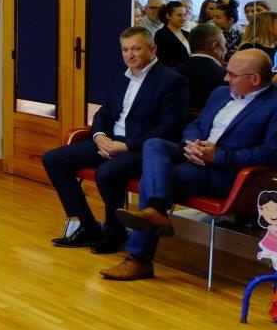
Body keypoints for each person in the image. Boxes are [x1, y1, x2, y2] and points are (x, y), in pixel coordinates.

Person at [104, 49, 277, 281]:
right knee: (154, 144)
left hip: (226, 173)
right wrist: (192, 144)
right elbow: (195, 125)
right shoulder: (220, 93)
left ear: (255, 79)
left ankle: (140, 256)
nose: (225, 78)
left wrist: (218, 156)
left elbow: (270, 153)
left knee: (156, 179)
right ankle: (156, 211)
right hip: (196, 154)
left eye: (232, 74)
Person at [43, 26, 189, 253]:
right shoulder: (121, 77)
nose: (130, 55)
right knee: (53, 159)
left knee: (106, 173)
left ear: (152, 49)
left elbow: (169, 129)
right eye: (125, 49)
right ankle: (88, 226)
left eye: (136, 49)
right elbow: (104, 113)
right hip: (110, 141)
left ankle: (115, 230)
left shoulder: (172, 81)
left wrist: (127, 145)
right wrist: (99, 136)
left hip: (141, 148)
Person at [172, 22, 228, 106]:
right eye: (224, 45)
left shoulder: (172, 73)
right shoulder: (227, 77)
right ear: (215, 46)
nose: (225, 50)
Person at [153, 0, 190, 68]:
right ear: (168, 16)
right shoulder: (161, 35)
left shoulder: (187, 34)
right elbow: (165, 62)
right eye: (179, 15)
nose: (183, 18)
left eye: (185, 15)